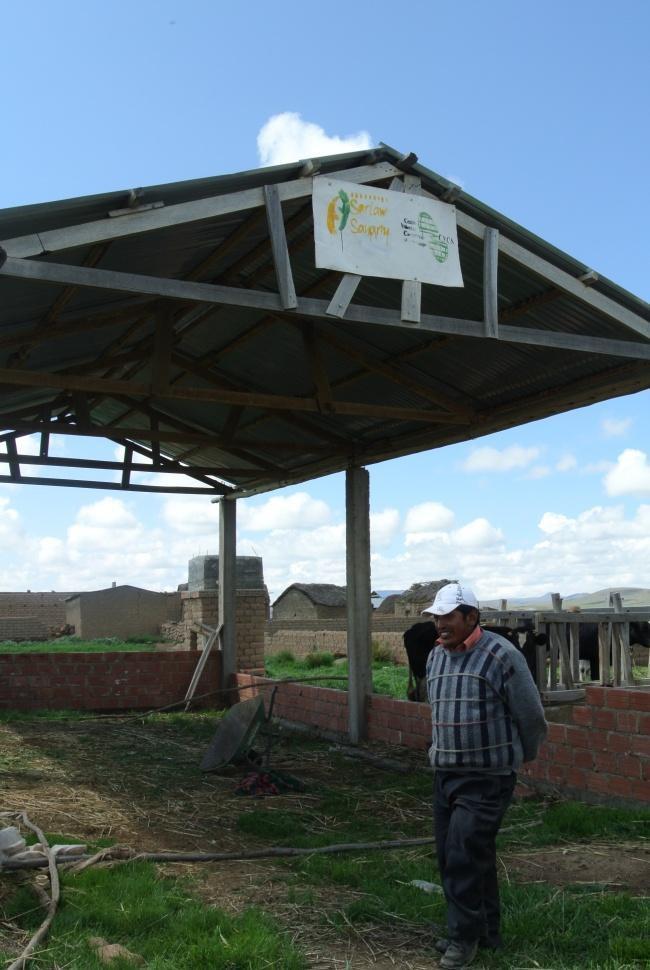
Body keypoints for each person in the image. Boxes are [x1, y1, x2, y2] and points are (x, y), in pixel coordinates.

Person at [423, 582, 547, 970]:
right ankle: (486, 930)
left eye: (448, 617)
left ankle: (462, 939)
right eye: (436, 617)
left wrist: (517, 759)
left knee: (462, 853)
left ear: (471, 617)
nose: (440, 624)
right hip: (446, 773)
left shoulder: (501, 655)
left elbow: (531, 716)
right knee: (457, 854)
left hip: (488, 776)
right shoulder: (435, 658)